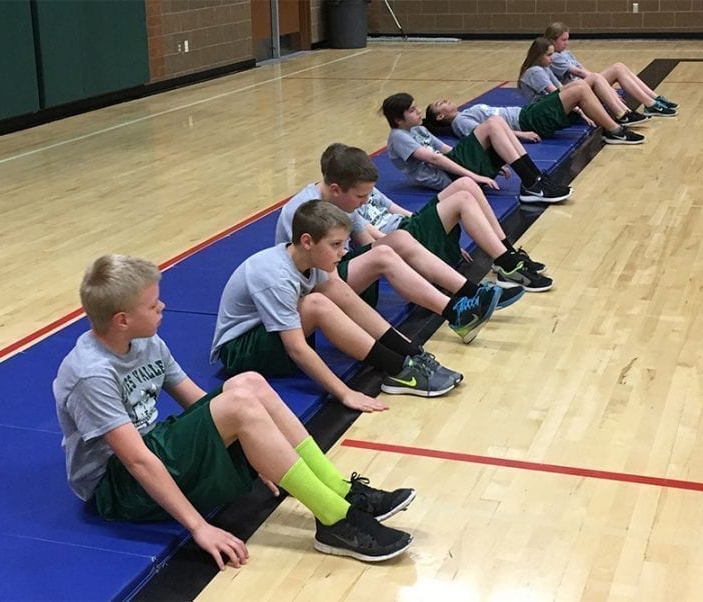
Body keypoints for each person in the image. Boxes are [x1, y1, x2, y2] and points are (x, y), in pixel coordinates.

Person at [53, 254, 416, 567]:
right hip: (118, 487)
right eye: (152, 305)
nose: (162, 307)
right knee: (238, 405)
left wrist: (259, 447)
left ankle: (338, 490)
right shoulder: (91, 374)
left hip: (153, 449)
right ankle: (335, 520)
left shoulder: (145, 339)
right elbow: (136, 461)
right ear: (121, 320)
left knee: (249, 384)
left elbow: (196, 401)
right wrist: (199, 527)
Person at [213, 200, 465, 413]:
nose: (343, 252)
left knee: (333, 288)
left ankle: (409, 357)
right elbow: (296, 349)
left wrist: (409, 349)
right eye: (335, 245)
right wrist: (345, 394)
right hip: (240, 352)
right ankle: (398, 370)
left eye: (343, 244)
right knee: (316, 303)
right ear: (307, 241)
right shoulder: (275, 277)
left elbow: (350, 301)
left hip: (267, 335)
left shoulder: (307, 261)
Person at [277, 145, 514, 335]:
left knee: (398, 238)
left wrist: (409, 268)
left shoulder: (342, 201)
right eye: (361, 196)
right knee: (383, 254)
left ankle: (473, 293)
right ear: (336, 189)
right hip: (316, 287)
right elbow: (307, 274)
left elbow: (368, 240)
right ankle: (455, 313)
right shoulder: (302, 210)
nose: (365, 201)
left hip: (340, 270)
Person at [320, 144, 553, 292]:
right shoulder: (341, 204)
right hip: (397, 237)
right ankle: (509, 266)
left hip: (407, 226)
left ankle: (507, 253)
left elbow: (395, 208)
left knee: (465, 185)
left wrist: (434, 224)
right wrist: (416, 242)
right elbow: (372, 240)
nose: (365, 197)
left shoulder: (361, 187)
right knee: (461, 199)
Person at [381, 92, 572, 203]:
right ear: (398, 119)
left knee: (495, 121)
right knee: (491, 125)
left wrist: (488, 158)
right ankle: (532, 185)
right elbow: (434, 158)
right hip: (449, 176)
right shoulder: (398, 137)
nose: (419, 111)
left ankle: (535, 178)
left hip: (454, 163)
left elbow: (445, 149)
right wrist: (474, 175)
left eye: (417, 107)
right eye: (412, 110)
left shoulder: (418, 128)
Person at [423, 84, 644, 147]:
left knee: (578, 85)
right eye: (439, 105)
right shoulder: (461, 122)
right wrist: (522, 135)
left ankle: (615, 120)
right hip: (528, 121)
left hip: (528, 114)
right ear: (441, 117)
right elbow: (485, 135)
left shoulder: (465, 112)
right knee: (578, 90)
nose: (443, 100)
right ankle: (615, 130)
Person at [518, 37, 654, 136]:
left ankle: (624, 113)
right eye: (548, 55)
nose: (552, 59)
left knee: (592, 79)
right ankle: (622, 114)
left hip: (552, 108)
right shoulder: (534, 71)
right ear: (538, 55)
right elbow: (555, 95)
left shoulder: (544, 68)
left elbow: (560, 88)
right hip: (545, 113)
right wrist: (582, 110)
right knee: (591, 79)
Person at [544, 22, 678, 117]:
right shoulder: (554, 56)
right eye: (563, 40)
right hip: (577, 90)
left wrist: (602, 84)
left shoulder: (566, 53)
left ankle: (654, 98)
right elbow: (579, 73)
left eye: (567, 39)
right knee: (616, 69)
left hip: (586, 84)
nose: (566, 43)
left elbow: (583, 69)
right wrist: (603, 84)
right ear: (552, 40)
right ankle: (650, 104)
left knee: (619, 66)